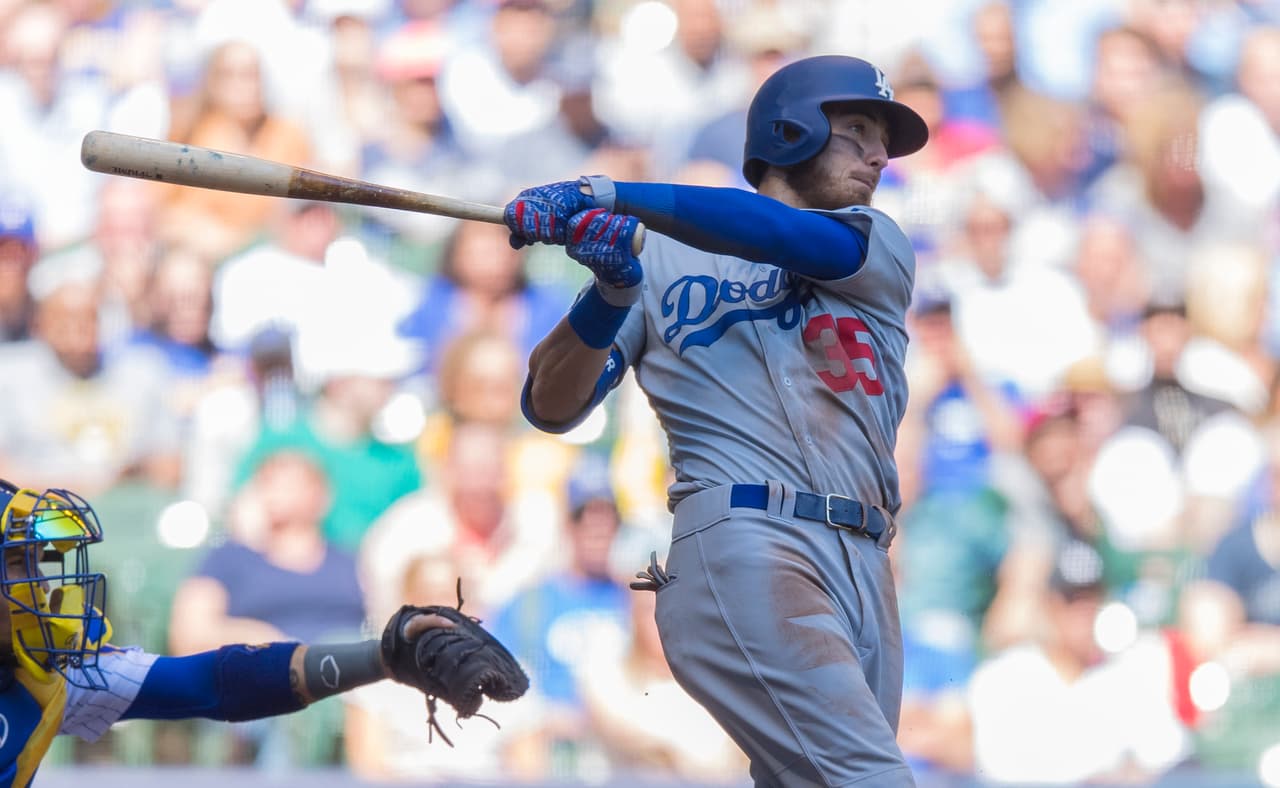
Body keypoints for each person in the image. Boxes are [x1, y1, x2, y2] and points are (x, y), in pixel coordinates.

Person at [505, 55, 930, 786]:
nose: (880, 154)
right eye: (857, 129)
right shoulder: (655, 259)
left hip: (864, 558)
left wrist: (610, 194)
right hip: (747, 540)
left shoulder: (872, 243)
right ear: (791, 131)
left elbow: (782, 235)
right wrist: (608, 295)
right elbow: (550, 405)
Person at [0, 478, 514, 787]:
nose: (42, 588)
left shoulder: (48, 678)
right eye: (18, 566)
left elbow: (215, 682)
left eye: (36, 563)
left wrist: (382, 659)